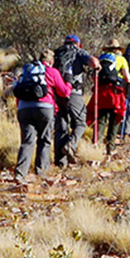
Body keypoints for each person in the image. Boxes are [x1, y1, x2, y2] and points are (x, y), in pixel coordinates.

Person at [14, 50, 71, 182]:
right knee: (44, 140)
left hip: (24, 108)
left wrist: (20, 108)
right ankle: (42, 172)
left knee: (27, 141)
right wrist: (69, 81)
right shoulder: (52, 72)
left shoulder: (27, 71)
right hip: (45, 108)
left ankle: (20, 173)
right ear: (51, 61)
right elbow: (64, 92)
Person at [52, 35, 101, 166]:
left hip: (57, 94)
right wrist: (97, 66)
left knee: (61, 127)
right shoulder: (78, 52)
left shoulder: (57, 53)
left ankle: (60, 162)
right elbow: (94, 62)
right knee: (81, 123)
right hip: (73, 93)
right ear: (78, 44)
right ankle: (71, 145)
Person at [92, 39, 130, 155]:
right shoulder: (121, 59)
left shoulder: (100, 58)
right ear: (117, 49)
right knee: (115, 119)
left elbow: (93, 76)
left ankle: (96, 144)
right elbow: (128, 78)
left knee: (101, 119)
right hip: (115, 93)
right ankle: (111, 146)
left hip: (101, 92)